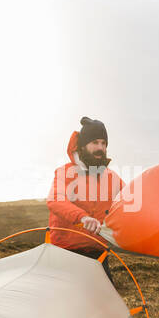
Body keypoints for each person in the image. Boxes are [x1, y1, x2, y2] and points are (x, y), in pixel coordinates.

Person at [46, 116, 124, 285]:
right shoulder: (64, 172)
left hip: (98, 253)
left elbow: (129, 202)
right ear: (83, 146)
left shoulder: (112, 178)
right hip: (66, 253)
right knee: (66, 305)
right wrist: (82, 217)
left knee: (104, 305)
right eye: (95, 142)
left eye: (104, 144)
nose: (100, 148)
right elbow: (55, 200)